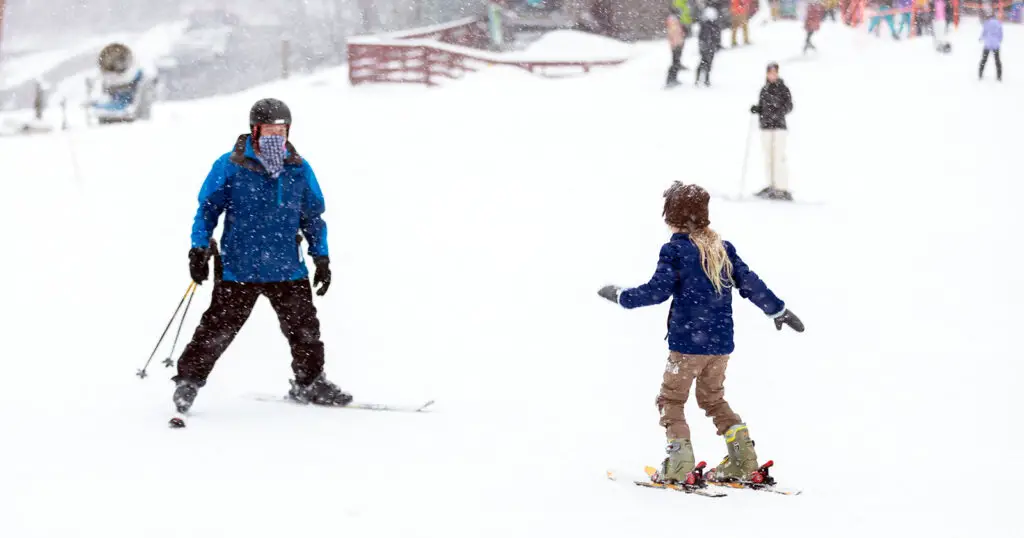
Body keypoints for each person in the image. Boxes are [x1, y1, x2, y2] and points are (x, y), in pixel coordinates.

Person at [597, 183, 804, 484]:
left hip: (687, 346)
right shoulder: (723, 248)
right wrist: (777, 310)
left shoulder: (676, 251)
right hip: (720, 346)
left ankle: (679, 462)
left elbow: (657, 292)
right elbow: (751, 283)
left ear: (672, 216)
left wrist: (621, 296)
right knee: (713, 399)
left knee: (671, 399)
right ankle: (743, 459)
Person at [171, 98, 353, 413]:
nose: (275, 136)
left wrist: (320, 257)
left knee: (305, 330)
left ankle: (310, 382)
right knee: (218, 328)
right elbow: (207, 211)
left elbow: (312, 216)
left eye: (281, 130)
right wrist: (199, 246)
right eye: (269, 129)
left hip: (287, 267)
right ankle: (188, 380)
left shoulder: (298, 168)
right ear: (254, 130)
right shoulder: (231, 165)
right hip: (239, 266)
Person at [750, 63, 794, 200]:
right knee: (768, 157)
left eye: (774, 72)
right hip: (766, 127)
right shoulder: (764, 90)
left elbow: (789, 106)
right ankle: (771, 184)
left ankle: (781, 187)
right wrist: (757, 109)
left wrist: (777, 110)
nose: (772, 75)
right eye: (770, 72)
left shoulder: (783, 89)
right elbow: (763, 107)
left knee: (778, 157)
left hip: (779, 127)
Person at [696, 7, 722, 86]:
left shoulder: (711, 25)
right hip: (707, 47)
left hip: (709, 47)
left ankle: (705, 79)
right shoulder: (707, 26)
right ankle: (703, 79)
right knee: (705, 63)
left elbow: (716, 36)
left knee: (706, 63)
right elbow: (704, 37)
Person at [666, 6, 688, 87]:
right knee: (675, 62)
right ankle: (671, 79)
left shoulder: (673, 19)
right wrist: (678, 43)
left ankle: (672, 78)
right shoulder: (673, 20)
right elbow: (675, 33)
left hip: (676, 43)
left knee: (676, 61)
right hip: (676, 44)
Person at [979, 11, 1003, 81]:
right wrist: (999, 40)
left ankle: (980, 74)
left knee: (984, 60)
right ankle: (999, 76)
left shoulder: (987, 23)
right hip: (996, 45)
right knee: (997, 61)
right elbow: (1001, 34)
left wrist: (981, 38)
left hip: (988, 44)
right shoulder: (998, 23)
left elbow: (984, 33)